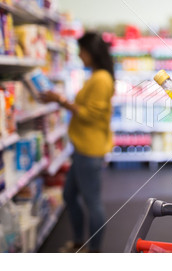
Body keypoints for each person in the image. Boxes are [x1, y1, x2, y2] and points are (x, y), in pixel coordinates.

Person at [40, 32, 115, 253]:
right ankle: (79, 243)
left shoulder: (101, 78)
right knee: (69, 195)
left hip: (90, 151)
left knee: (93, 203)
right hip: (83, 148)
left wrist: (61, 101)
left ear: (91, 52)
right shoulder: (97, 75)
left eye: (81, 50)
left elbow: (91, 115)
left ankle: (94, 251)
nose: (80, 55)